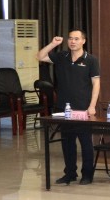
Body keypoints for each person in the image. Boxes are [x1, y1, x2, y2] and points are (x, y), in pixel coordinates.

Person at [36, 29, 100, 185]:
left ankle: (87, 174)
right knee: (67, 142)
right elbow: (40, 56)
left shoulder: (91, 60)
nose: (73, 41)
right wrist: (53, 44)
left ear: (83, 41)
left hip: (83, 107)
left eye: (76, 39)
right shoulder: (61, 56)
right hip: (64, 108)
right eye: (70, 38)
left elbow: (96, 83)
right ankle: (70, 173)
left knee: (85, 143)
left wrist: (92, 105)